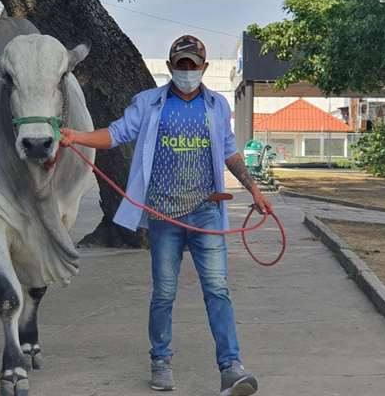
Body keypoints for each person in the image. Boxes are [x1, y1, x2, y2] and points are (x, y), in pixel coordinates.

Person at [60, 35, 272, 396]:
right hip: (163, 216)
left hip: (206, 213)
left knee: (218, 290)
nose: (187, 71)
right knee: (164, 293)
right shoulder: (149, 103)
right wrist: (77, 136)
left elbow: (229, 152)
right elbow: (115, 134)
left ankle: (231, 367)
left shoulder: (217, 105)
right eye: (181, 65)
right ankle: (160, 360)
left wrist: (253, 188)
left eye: (194, 65)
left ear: (204, 68)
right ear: (171, 67)